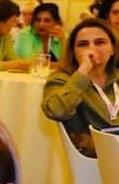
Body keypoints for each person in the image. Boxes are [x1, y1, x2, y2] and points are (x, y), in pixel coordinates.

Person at [42, 17, 119, 156]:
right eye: (83, 44)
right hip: (94, 156)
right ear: (73, 52)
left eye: (100, 42)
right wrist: (84, 70)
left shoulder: (116, 77)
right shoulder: (62, 80)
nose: (91, 49)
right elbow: (57, 111)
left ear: (113, 49)